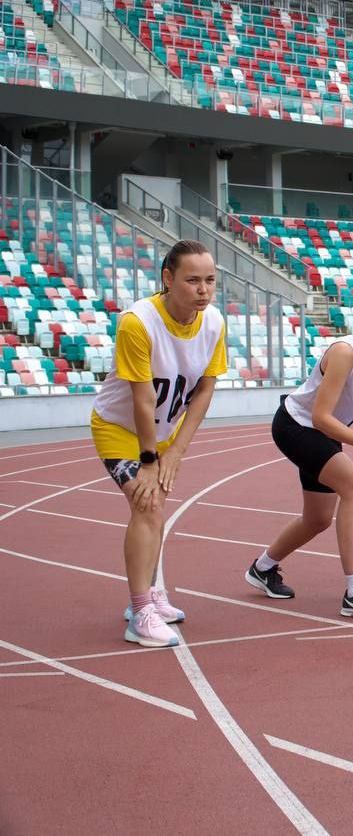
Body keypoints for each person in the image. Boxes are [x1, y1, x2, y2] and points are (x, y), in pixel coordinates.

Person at [246, 286, 353, 620]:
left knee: (318, 519)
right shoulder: (345, 353)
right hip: (297, 426)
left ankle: (262, 568)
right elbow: (321, 417)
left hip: (326, 432)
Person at [91, 240, 226, 648]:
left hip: (165, 432)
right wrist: (150, 460)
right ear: (168, 278)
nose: (203, 290)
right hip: (120, 428)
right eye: (192, 280)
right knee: (148, 504)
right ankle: (140, 612)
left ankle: (149, 594)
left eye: (210, 280)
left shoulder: (213, 323)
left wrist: (176, 452)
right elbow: (143, 397)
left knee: (155, 508)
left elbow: (204, 390)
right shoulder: (138, 322)